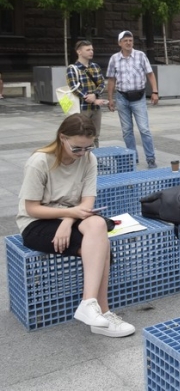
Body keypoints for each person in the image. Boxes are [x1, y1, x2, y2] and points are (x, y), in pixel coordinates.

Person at [17, 114, 135, 337]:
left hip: (72, 218)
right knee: (102, 247)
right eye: (77, 149)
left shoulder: (89, 159)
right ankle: (103, 313)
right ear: (62, 138)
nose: (82, 153)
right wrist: (69, 214)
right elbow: (32, 208)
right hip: (36, 223)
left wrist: (68, 220)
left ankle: (89, 305)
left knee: (98, 225)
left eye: (88, 148)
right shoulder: (40, 161)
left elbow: (87, 203)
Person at [106, 31, 159, 168]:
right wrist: (110, 99)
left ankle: (150, 158)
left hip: (138, 97)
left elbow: (150, 74)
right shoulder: (114, 59)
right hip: (122, 97)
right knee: (127, 131)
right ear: (120, 43)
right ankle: (132, 158)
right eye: (125, 41)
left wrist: (154, 91)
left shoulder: (140, 56)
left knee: (144, 129)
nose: (128, 43)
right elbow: (111, 79)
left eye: (130, 40)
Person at [67, 40, 108, 147]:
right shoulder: (72, 69)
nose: (91, 52)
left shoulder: (95, 66)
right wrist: (88, 97)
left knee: (95, 135)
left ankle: (95, 159)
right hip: (81, 107)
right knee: (81, 134)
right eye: (88, 50)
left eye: (92, 49)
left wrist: (95, 95)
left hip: (96, 108)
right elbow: (74, 87)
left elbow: (102, 83)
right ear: (79, 52)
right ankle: (81, 158)